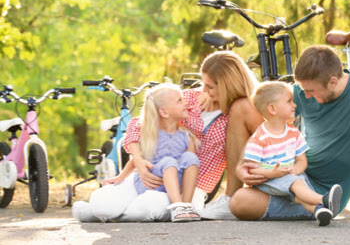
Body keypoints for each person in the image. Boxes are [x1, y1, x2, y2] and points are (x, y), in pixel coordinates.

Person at [72, 50, 264, 222]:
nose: (203, 91)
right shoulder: (188, 99)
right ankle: (101, 211)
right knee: (103, 203)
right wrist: (138, 160)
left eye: (210, 87)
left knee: (148, 208)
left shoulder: (238, 114)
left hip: (188, 190)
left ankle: (105, 215)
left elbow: (265, 142)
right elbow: (138, 125)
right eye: (203, 84)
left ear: (228, 86)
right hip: (153, 174)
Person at [230, 45, 350, 223]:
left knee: (241, 203)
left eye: (310, 91)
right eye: (302, 90)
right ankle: (230, 196)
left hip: (324, 192)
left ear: (333, 82)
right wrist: (243, 165)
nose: (305, 96)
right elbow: (265, 127)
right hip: (291, 174)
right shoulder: (304, 91)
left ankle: (320, 206)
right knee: (242, 107)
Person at [244, 81, 342, 226]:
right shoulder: (259, 138)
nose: (295, 105)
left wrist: (296, 170)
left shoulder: (293, 133)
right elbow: (252, 168)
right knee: (296, 183)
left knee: (299, 190)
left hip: (291, 176)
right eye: (289, 101)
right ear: (272, 109)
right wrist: (272, 173)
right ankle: (323, 199)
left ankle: (319, 211)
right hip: (270, 180)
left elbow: (302, 160)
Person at [133, 83, 200, 222]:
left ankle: (186, 206)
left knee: (190, 157)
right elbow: (136, 160)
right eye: (179, 100)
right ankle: (177, 206)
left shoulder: (185, 135)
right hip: (153, 181)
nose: (186, 103)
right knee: (169, 161)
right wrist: (120, 178)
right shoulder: (149, 133)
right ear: (164, 112)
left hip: (176, 181)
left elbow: (190, 164)